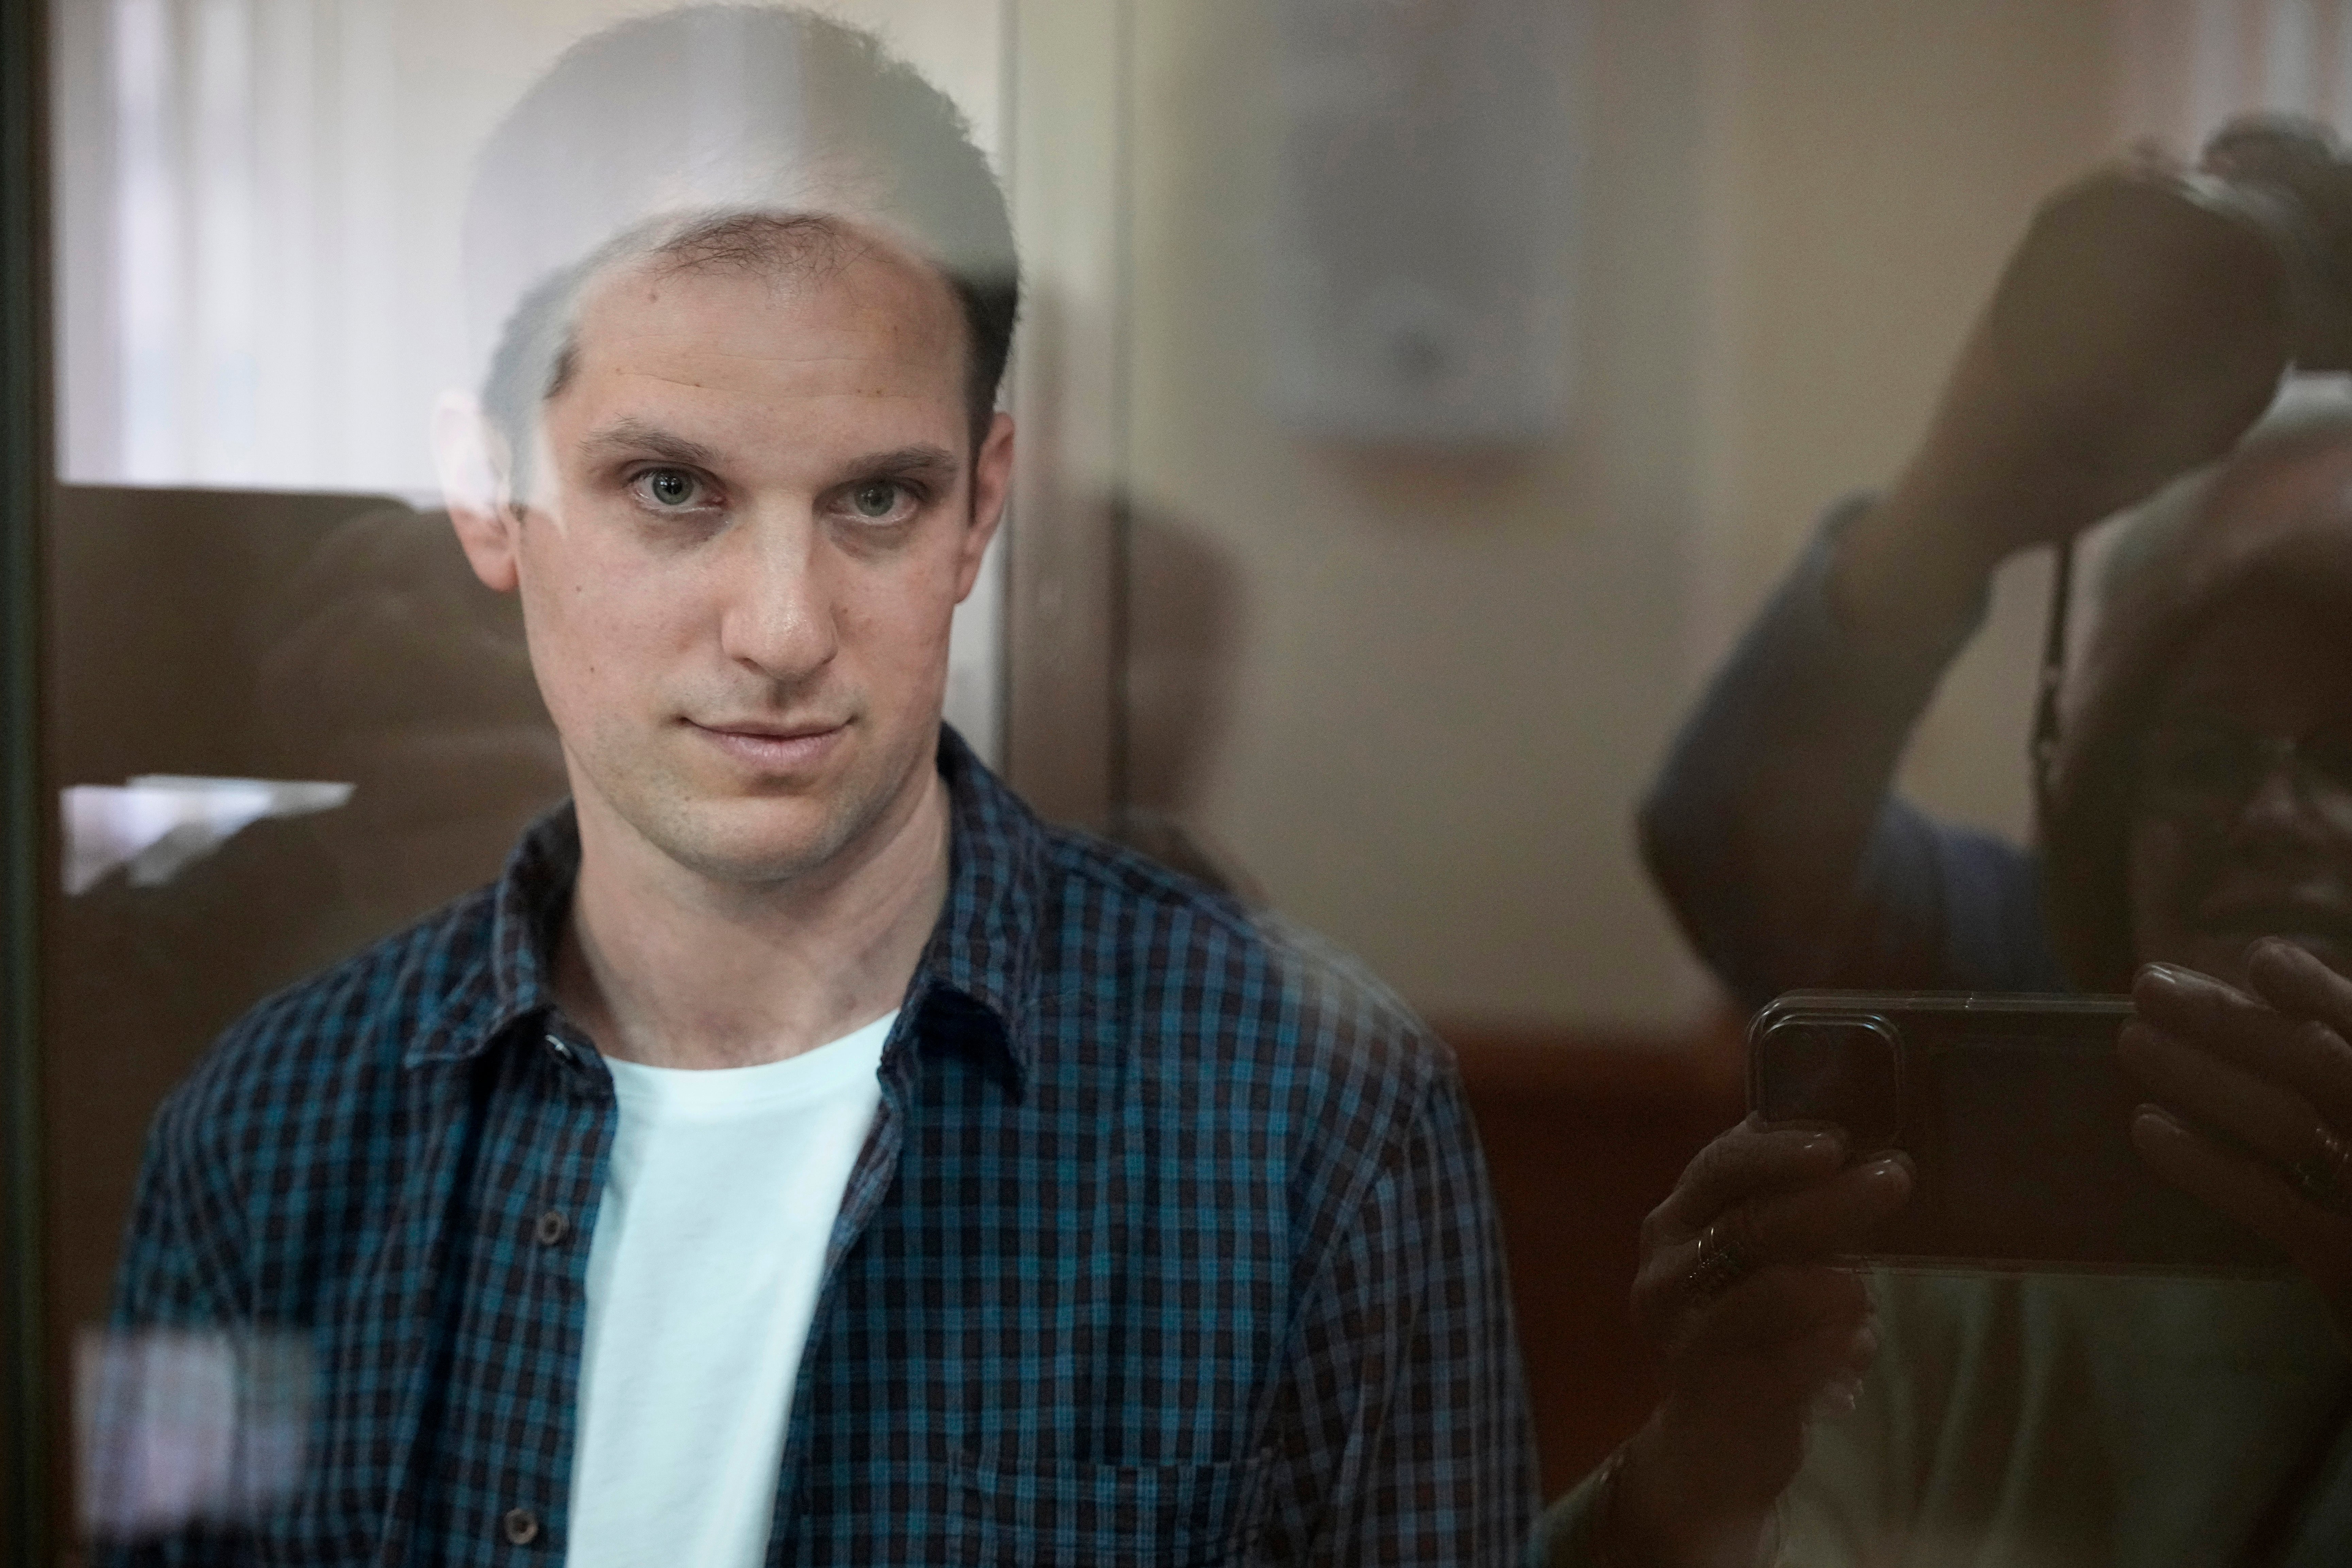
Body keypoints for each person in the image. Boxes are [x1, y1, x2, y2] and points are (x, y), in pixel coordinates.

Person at [92, 10, 1535, 1563]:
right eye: (671, 489)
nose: (782, 631)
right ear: (487, 489)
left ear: (981, 507)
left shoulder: (1311, 1124)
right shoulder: (264, 1144)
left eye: (875, 500)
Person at [1536, 123, 2352, 1566]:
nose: (2277, 816)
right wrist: (1980, 474)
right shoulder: (1997, 1156)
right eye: (2207, 752)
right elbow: (1738, 836)